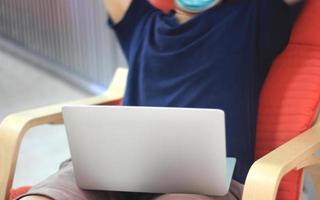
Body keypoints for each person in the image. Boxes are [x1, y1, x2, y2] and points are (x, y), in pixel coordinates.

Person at [18, 0, 304, 199]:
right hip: (118, 177)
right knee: (55, 189)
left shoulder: (252, 17)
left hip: (206, 188)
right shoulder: (140, 24)